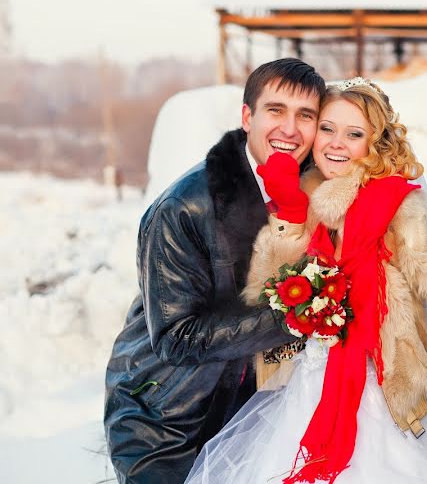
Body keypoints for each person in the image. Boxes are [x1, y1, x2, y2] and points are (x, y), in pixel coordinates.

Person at [185, 78, 427, 484]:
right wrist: (287, 219)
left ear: (373, 144)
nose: (336, 143)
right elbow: (265, 294)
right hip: (308, 386)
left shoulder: (393, 204)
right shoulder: (304, 198)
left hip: (380, 385)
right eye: (327, 128)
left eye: (354, 134)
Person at [103, 58, 328, 484]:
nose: (290, 129)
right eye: (275, 111)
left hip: (256, 411)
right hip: (170, 421)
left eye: (306, 116)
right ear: (248, 117)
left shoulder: (312, 194)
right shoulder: (183, 208)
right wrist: (295, 315)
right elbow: (176, 337)